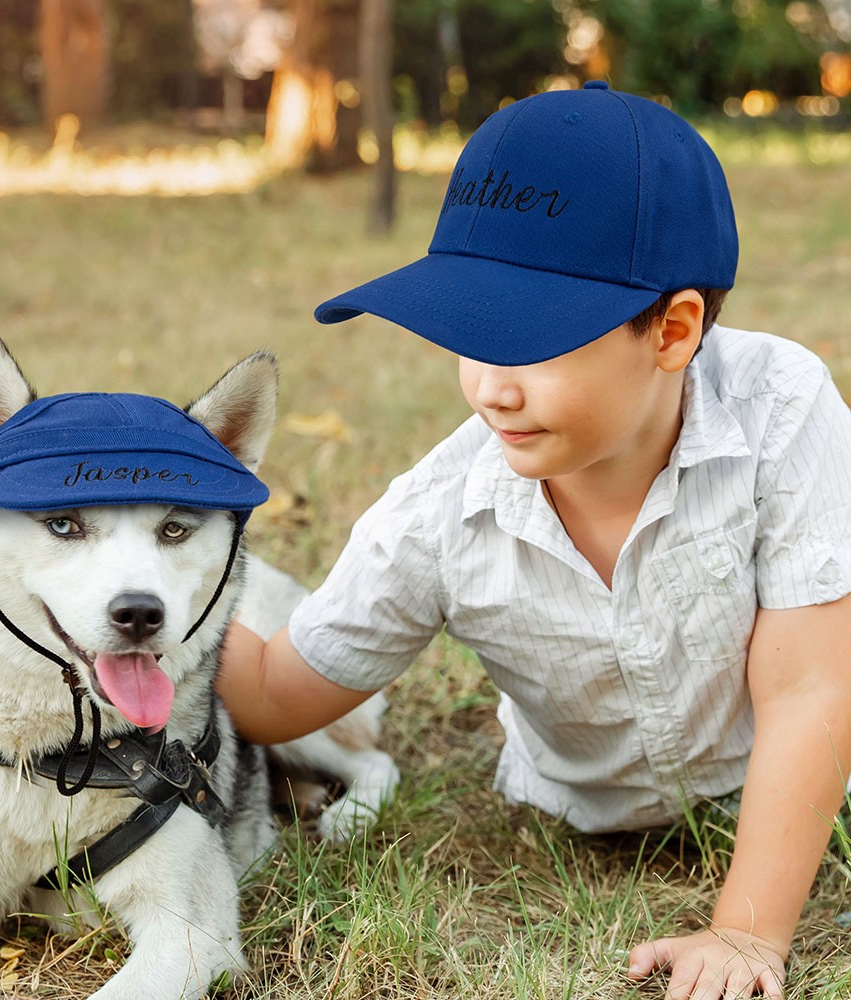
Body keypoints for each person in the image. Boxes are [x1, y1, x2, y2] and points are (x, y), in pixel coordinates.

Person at [218, 81, 851, 999]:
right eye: (467, 338)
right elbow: (277, 692)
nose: (488, 388)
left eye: (529, 345)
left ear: (673, 331)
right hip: (575, 810)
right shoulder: (441, 512)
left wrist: (746, 935)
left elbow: (810, 689)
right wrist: (140, 609)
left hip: (794, 780)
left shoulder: (780, 408)